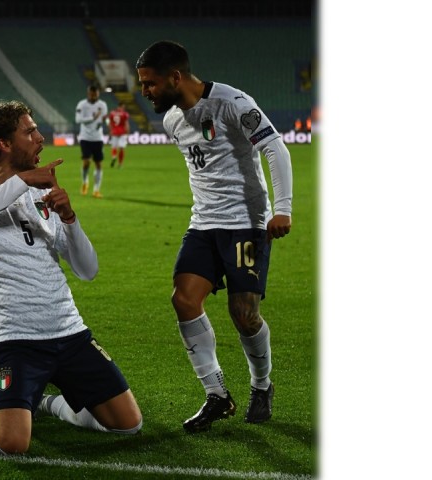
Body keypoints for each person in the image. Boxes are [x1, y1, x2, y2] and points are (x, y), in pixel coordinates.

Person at [0, 100, 142, 454]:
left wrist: (69, 218)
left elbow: (87, 270)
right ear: (4, 143)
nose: (40, 138)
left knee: (128, 424)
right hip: (15, 339)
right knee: (10, 444)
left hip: (70, 333)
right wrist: (20, 182)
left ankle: (45, 403)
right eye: (30, 131)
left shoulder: (41, 196)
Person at [135, 40, 293, 432]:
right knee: (184, 300)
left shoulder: (232, 103)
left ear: (175, 76)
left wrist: (282, 208)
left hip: (245, 222)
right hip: (203, 223)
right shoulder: (172, 120)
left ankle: (261, 385)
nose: (145, 92)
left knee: (244, 315)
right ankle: (217, 396)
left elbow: (275, 148)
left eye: (150, 83)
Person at [74, 84, 108, 198]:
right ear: (88, 94)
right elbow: (78, 120)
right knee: (86, 162)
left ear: (98, 94)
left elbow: (103, 118)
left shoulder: (102, 105)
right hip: (85, 137)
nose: (94, 96)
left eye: (96, 94)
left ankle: (96, 190)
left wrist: (104, 121)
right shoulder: (82, 105)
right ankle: (85, 182)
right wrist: (93, 118)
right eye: (92, 94)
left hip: (98, 138)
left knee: (98, 164)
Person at [107, 102, 130, 168]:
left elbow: (109, 124)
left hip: (114, 132)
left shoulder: (112, 113)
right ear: (121, 107)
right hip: (122, 132)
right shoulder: (124, 114)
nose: (123, 108)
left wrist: (111, 131)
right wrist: (127, 133)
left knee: (114, 147)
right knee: (121, 148)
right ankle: (120, 164)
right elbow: (126, 124)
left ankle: (114, 157)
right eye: (123, 107)